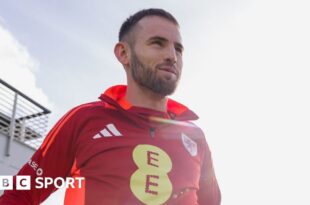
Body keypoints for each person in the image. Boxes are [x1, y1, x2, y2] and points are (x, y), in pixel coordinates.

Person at [0, 8, 221, 205]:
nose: (172, 56)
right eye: (157, 43)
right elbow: (21, 195)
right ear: (124, 53)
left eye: (179, 49)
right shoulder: (85, 119)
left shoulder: (195, 137)